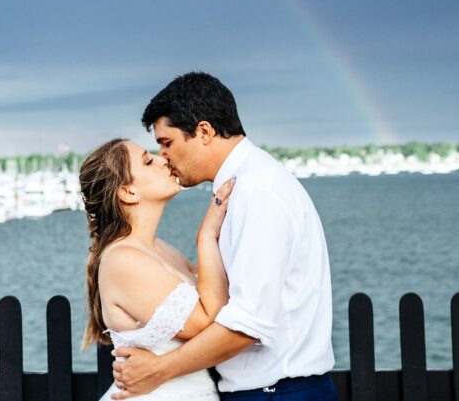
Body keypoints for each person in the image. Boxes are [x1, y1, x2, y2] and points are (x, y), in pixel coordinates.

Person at [111, 72, 337, 400]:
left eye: (167, 143)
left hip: (276, 393)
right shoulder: (242, 188)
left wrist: (159, 370)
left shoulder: (257, 192)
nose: (164, 157)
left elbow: (249, 324)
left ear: (203, 131)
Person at [79, 137, 236, 400]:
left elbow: (218, 289)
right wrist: (206, 235)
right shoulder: (123, 260)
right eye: (149, 161)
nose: (164, 160)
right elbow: (208, 322)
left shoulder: (162, 248)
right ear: (128, 192)